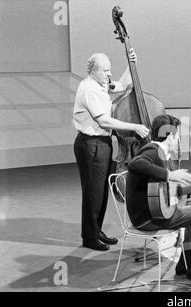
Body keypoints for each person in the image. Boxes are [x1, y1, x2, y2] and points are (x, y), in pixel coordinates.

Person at [126, 114, 191, 279]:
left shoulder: (160, 153)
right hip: (149, 218)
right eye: (177, 135)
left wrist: (190, 190)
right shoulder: (153, 151)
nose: (179, 138)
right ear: (170, 136)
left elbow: (162, 192)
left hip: (155, 210)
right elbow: (134, 164)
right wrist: (169, 174)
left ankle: (185, 263)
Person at [73, 51, 149, 251]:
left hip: (102, 143)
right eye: (105, 70)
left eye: (109, 70)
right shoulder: (89, 89)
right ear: (94, 70)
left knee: (101, 191)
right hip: (91, 144)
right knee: (93, 193)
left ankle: (95, 230)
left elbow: (124, 85)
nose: (109, 73)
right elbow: (103, 120)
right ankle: (89, 237)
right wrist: (134, 127)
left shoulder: (101, 84)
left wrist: (131, 63)